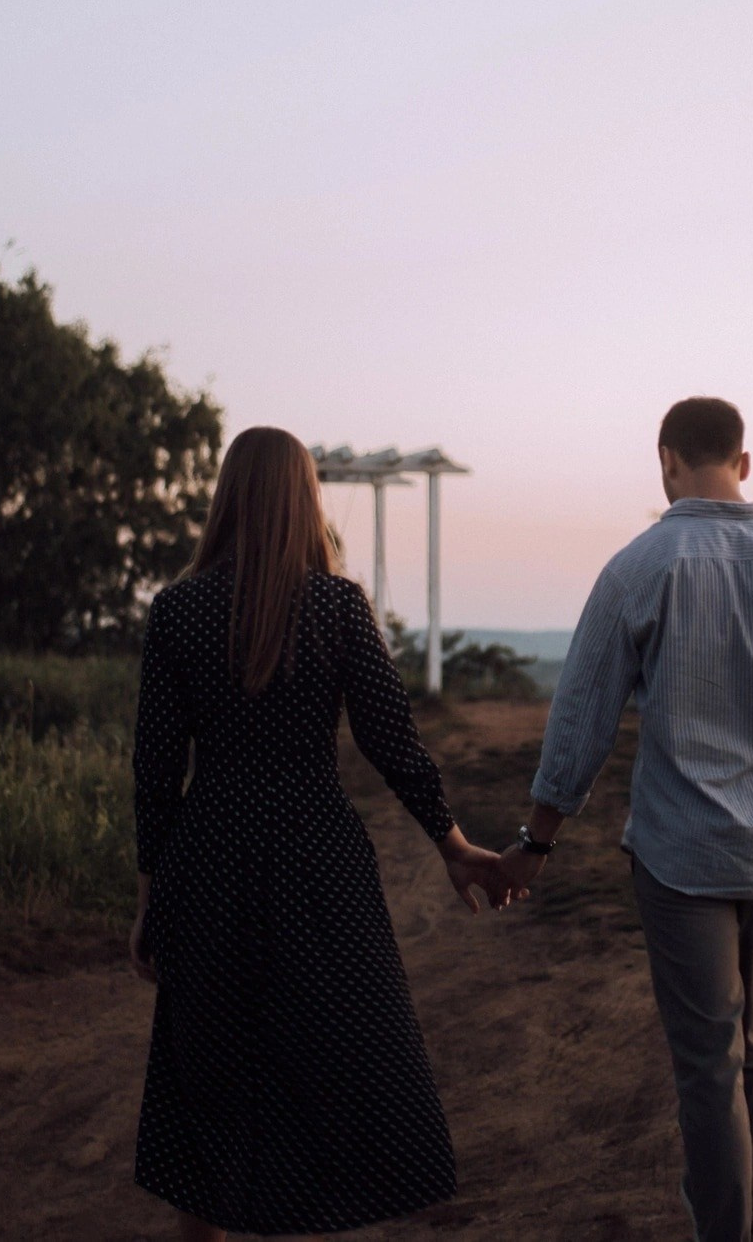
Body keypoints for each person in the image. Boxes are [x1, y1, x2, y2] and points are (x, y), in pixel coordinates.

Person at [498, 397, 753, 1242]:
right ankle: (734, 1216)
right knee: (751, 1043)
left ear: (666, 460)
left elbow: (582, 719)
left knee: (710, 1066)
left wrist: (538, 842)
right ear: (744, 462)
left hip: (681, 857)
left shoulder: (640, 567)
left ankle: (725, 1230)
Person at [128, 426, 515, 1242]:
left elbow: (155, 772)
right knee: (333, 1067)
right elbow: (393, 741)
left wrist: (150, 898)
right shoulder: (336, 606)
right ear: (306, 499)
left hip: (209, 857)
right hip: (317, 859)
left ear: (226, 498)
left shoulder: (176, 610)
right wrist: (451, 844)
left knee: (213, 1077)